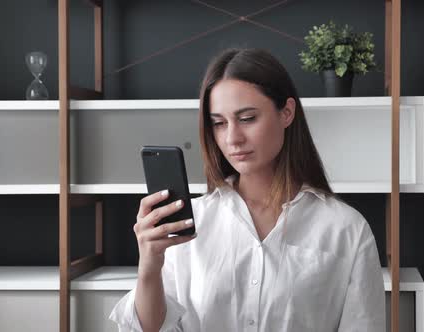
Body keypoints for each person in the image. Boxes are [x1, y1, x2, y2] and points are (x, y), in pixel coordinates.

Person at [109, 48, 385, 332]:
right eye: (218, 123)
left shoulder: (345, 229)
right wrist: (149, 269)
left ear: (287, 112)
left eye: (248, 118)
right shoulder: (190, 224)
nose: (232, 138)